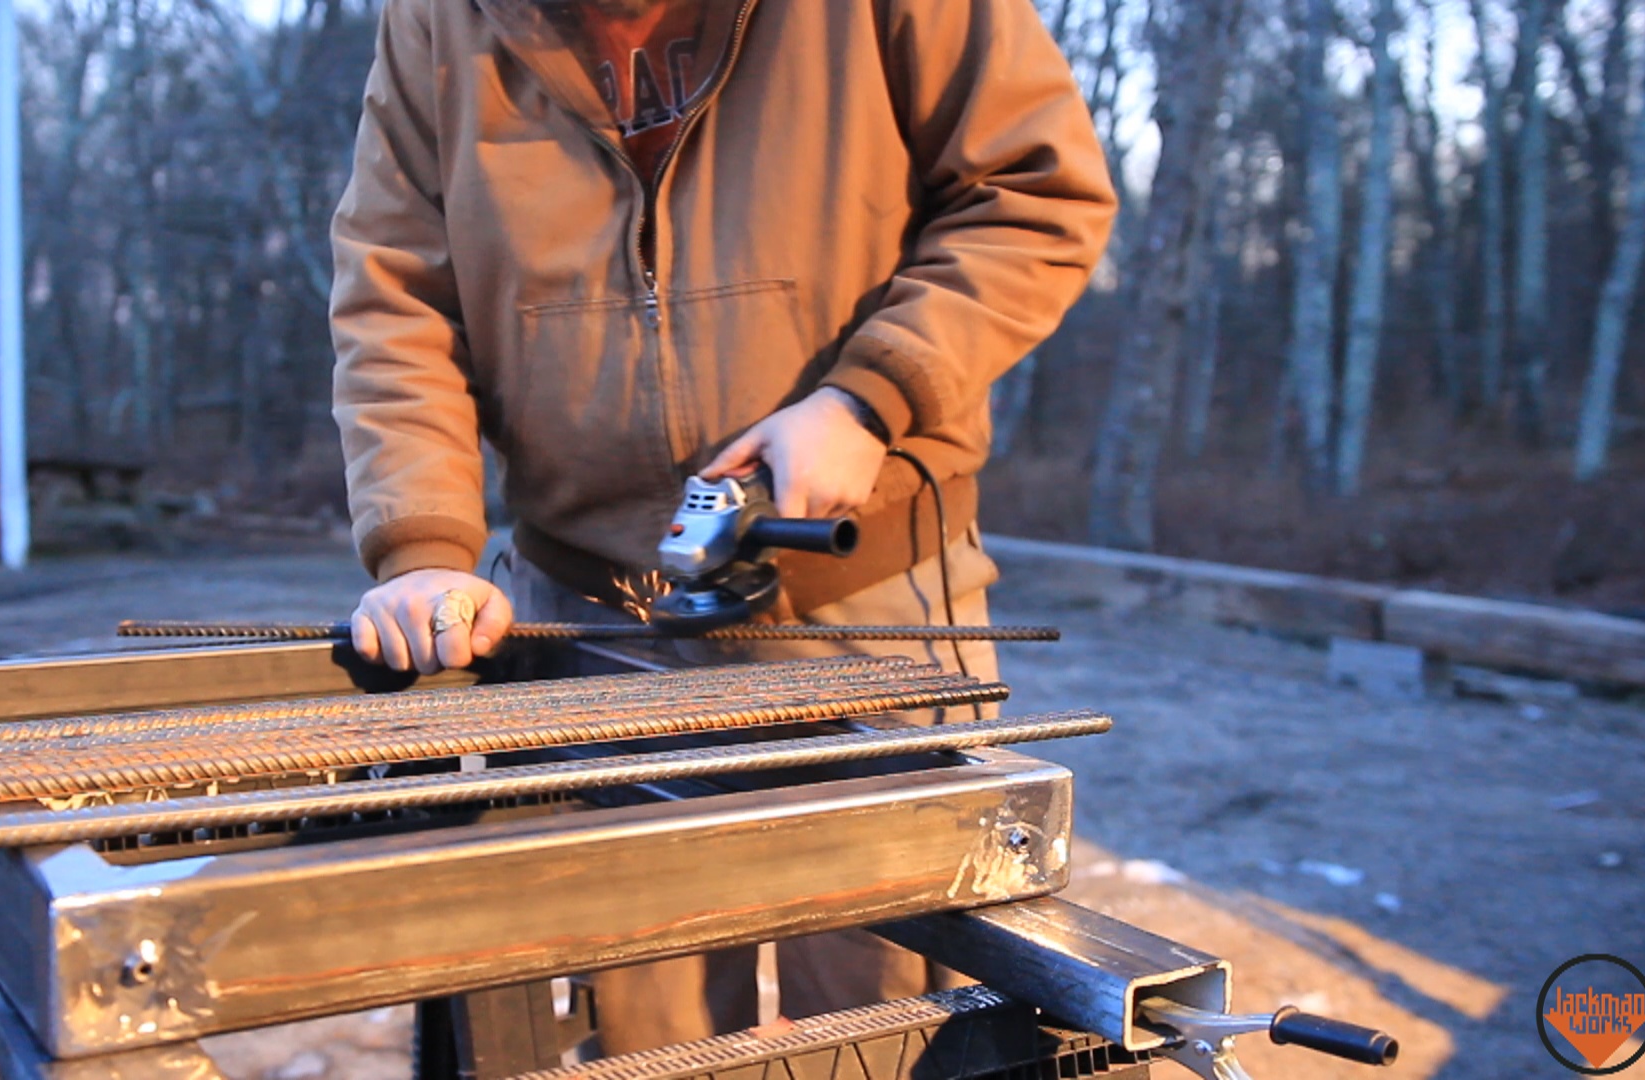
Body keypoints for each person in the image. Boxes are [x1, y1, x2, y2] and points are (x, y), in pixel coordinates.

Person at [329, 0, 1117, 1054]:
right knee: (639, 1039)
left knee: (890, 1025)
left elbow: (1036, 191)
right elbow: (395, 298)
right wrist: (421, 552)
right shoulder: (437, 19)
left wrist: (866, 399)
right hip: (587, 622)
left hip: (856, 609)